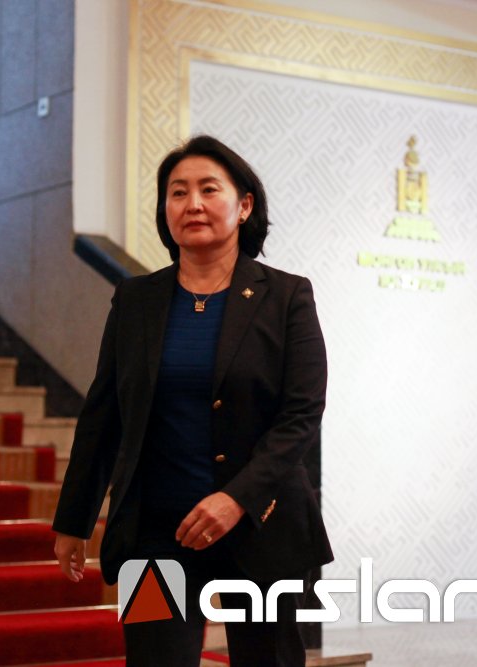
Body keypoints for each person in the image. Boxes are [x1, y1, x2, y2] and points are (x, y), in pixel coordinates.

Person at [52, 135, 332, 666]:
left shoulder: (286, 296)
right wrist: (74, 518)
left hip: (261, 525)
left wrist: (236, 499)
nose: (192, 204)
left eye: (209, 189)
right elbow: (103, 415)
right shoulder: (135, 300)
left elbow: (301, 415)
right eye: (178, 192)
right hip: (154, 534)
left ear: (244, 205)